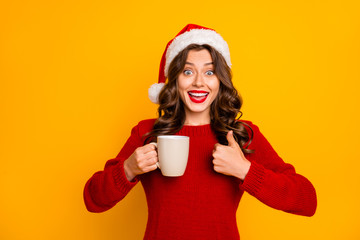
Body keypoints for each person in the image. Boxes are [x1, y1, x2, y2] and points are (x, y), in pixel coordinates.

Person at [83, 24, 317, 239]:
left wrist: (245, 170)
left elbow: (307, 200)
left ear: (220, 80)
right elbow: (93, 199)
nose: (198, 82)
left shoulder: (240, 135)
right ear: (173, 80)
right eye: (187, 72)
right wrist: (128, 169)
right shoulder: (147, 133)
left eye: (209, 72)